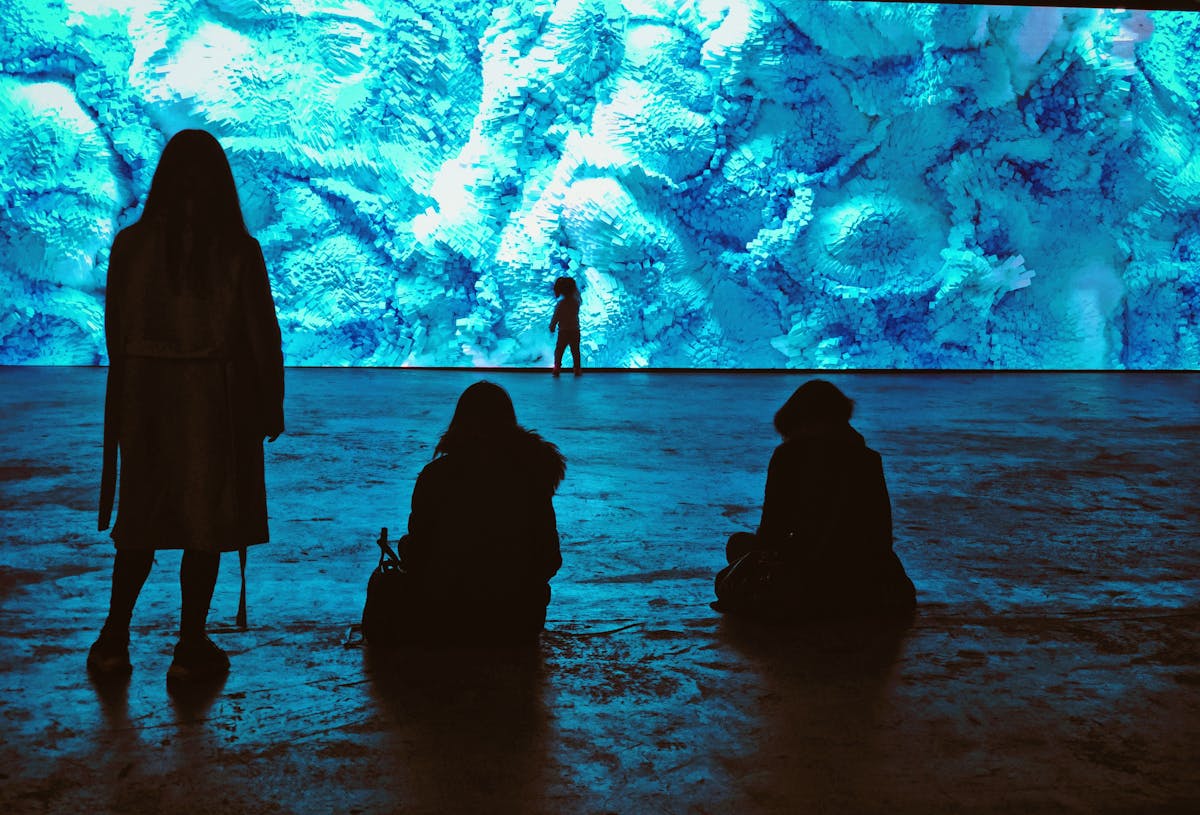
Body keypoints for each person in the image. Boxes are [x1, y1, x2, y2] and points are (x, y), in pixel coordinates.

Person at [89, 129, 284, 682]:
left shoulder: (130, 245)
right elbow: (260, 334)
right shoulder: (237, 250)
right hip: (213, 403)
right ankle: (189, 643)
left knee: (142, 517)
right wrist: (270, 400)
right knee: (208, 519)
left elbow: (116, 330)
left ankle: (113, 637)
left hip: (144, 398)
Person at [714, 379, 915, 619]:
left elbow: (772, 532)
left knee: (737, 547)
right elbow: (881, 533)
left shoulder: (788, 457)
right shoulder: (868, 458)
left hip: (810, 584)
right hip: (870, 586)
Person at [392, 381, 564, 644]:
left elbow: (419, 550)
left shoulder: (436, 476)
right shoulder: (531, 475)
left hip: (447, 617)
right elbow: (549, 557)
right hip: (518, 620)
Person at [549, 276, 582, 376]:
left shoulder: (561, 303)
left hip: (563, 331)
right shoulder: (576, 302)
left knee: (559, 350)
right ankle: (577, 369)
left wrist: (552, 326)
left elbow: (556, 316)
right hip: (575, 330)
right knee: (575, 351)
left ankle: (557, 368)